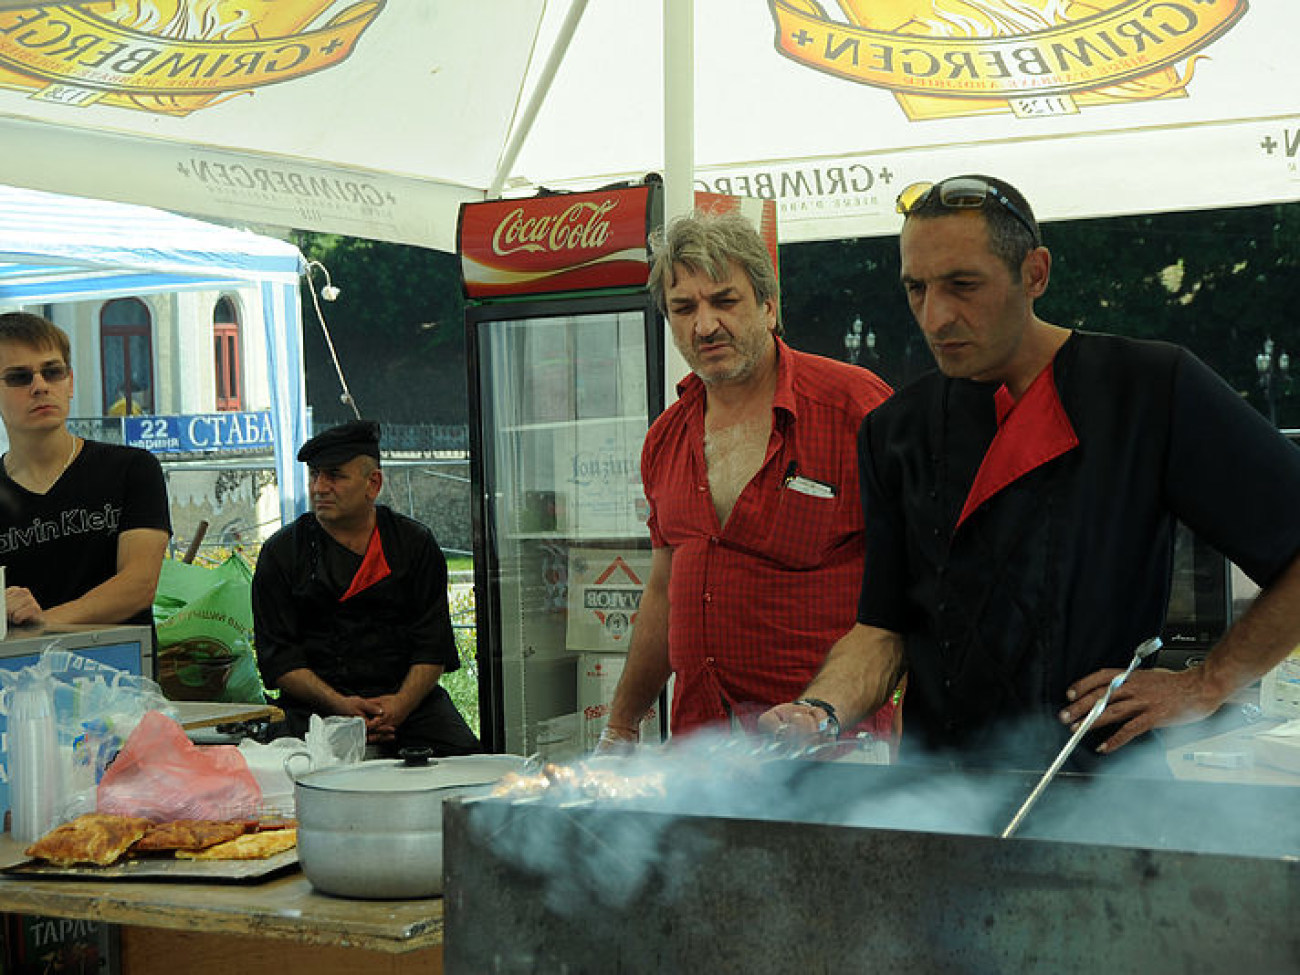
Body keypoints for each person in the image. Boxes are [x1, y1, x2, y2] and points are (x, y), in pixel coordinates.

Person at [761, 175, 1300, 772]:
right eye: (916, 289)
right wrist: (820, 709)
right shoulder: (895, 429)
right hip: (942, 798)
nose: (936, 317)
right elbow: (882, 630)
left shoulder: (1149, 389)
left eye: (963, 285)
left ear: (1035, 273)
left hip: (1104, 792)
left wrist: (1207, 682)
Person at [599, 209, 896, 750]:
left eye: (724, 300)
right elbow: (664, 595)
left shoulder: (855, 408)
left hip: (834, 751)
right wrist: (620, 725)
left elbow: (919, 582)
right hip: (703, 756)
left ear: (768, 305)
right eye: (683, 308)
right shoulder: (665, 438)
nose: (704, 325)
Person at [252, 420, 480, 756]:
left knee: (473, 775)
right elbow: (280, 661)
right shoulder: (283, 553)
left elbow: (433, 648)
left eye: (334, 475)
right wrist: (342, 706)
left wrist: (399, 706)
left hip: (411, 709)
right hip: (314, 712)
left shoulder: (413, 545)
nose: (319, 487)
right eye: (315, 475)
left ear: (373, 484)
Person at [0, 312, 170, 630]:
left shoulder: (132, 469)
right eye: (19, 377)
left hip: (120, 675)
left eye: (53, 372)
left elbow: (137, 586)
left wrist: (41, 624)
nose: (40, 386)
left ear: (71, 383)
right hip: (18, 678)